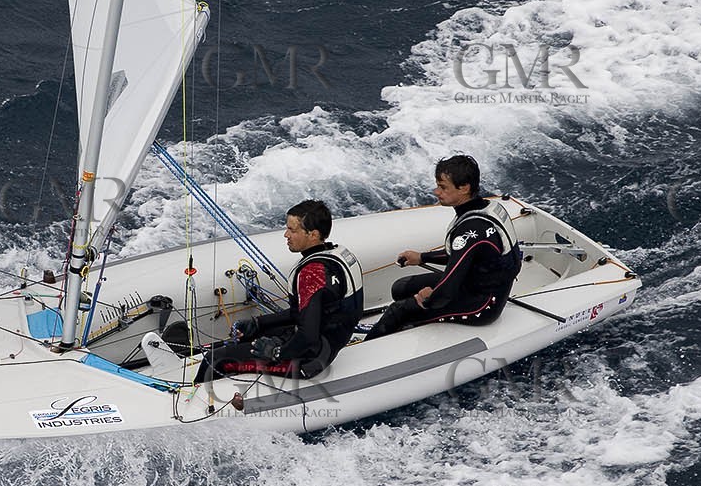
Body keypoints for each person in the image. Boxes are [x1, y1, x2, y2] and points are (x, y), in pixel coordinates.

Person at [200, 200, 364, 381]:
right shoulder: (337, 253)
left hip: (310, 359)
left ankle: (192, 404)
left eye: (292, 230)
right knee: (248, 336)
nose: (286, 235)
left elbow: (308, 336)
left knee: (213, 360)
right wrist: (258, 323)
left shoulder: (312, 273)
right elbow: (301, 314)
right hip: (326, 341)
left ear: (313, 234)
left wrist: (277, 352)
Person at [364, 154, 522, 339]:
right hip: (471, 282)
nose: (436, 192)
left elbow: (446, 292)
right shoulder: (488, 208)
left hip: (482, 304)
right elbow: (462, 255)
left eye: (443, 187)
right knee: (401, 288)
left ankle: (368, 347)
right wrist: (422, 257)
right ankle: (410, 324)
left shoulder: (470, 230)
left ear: (464, 188)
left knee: (398, 310)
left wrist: (428, 298)